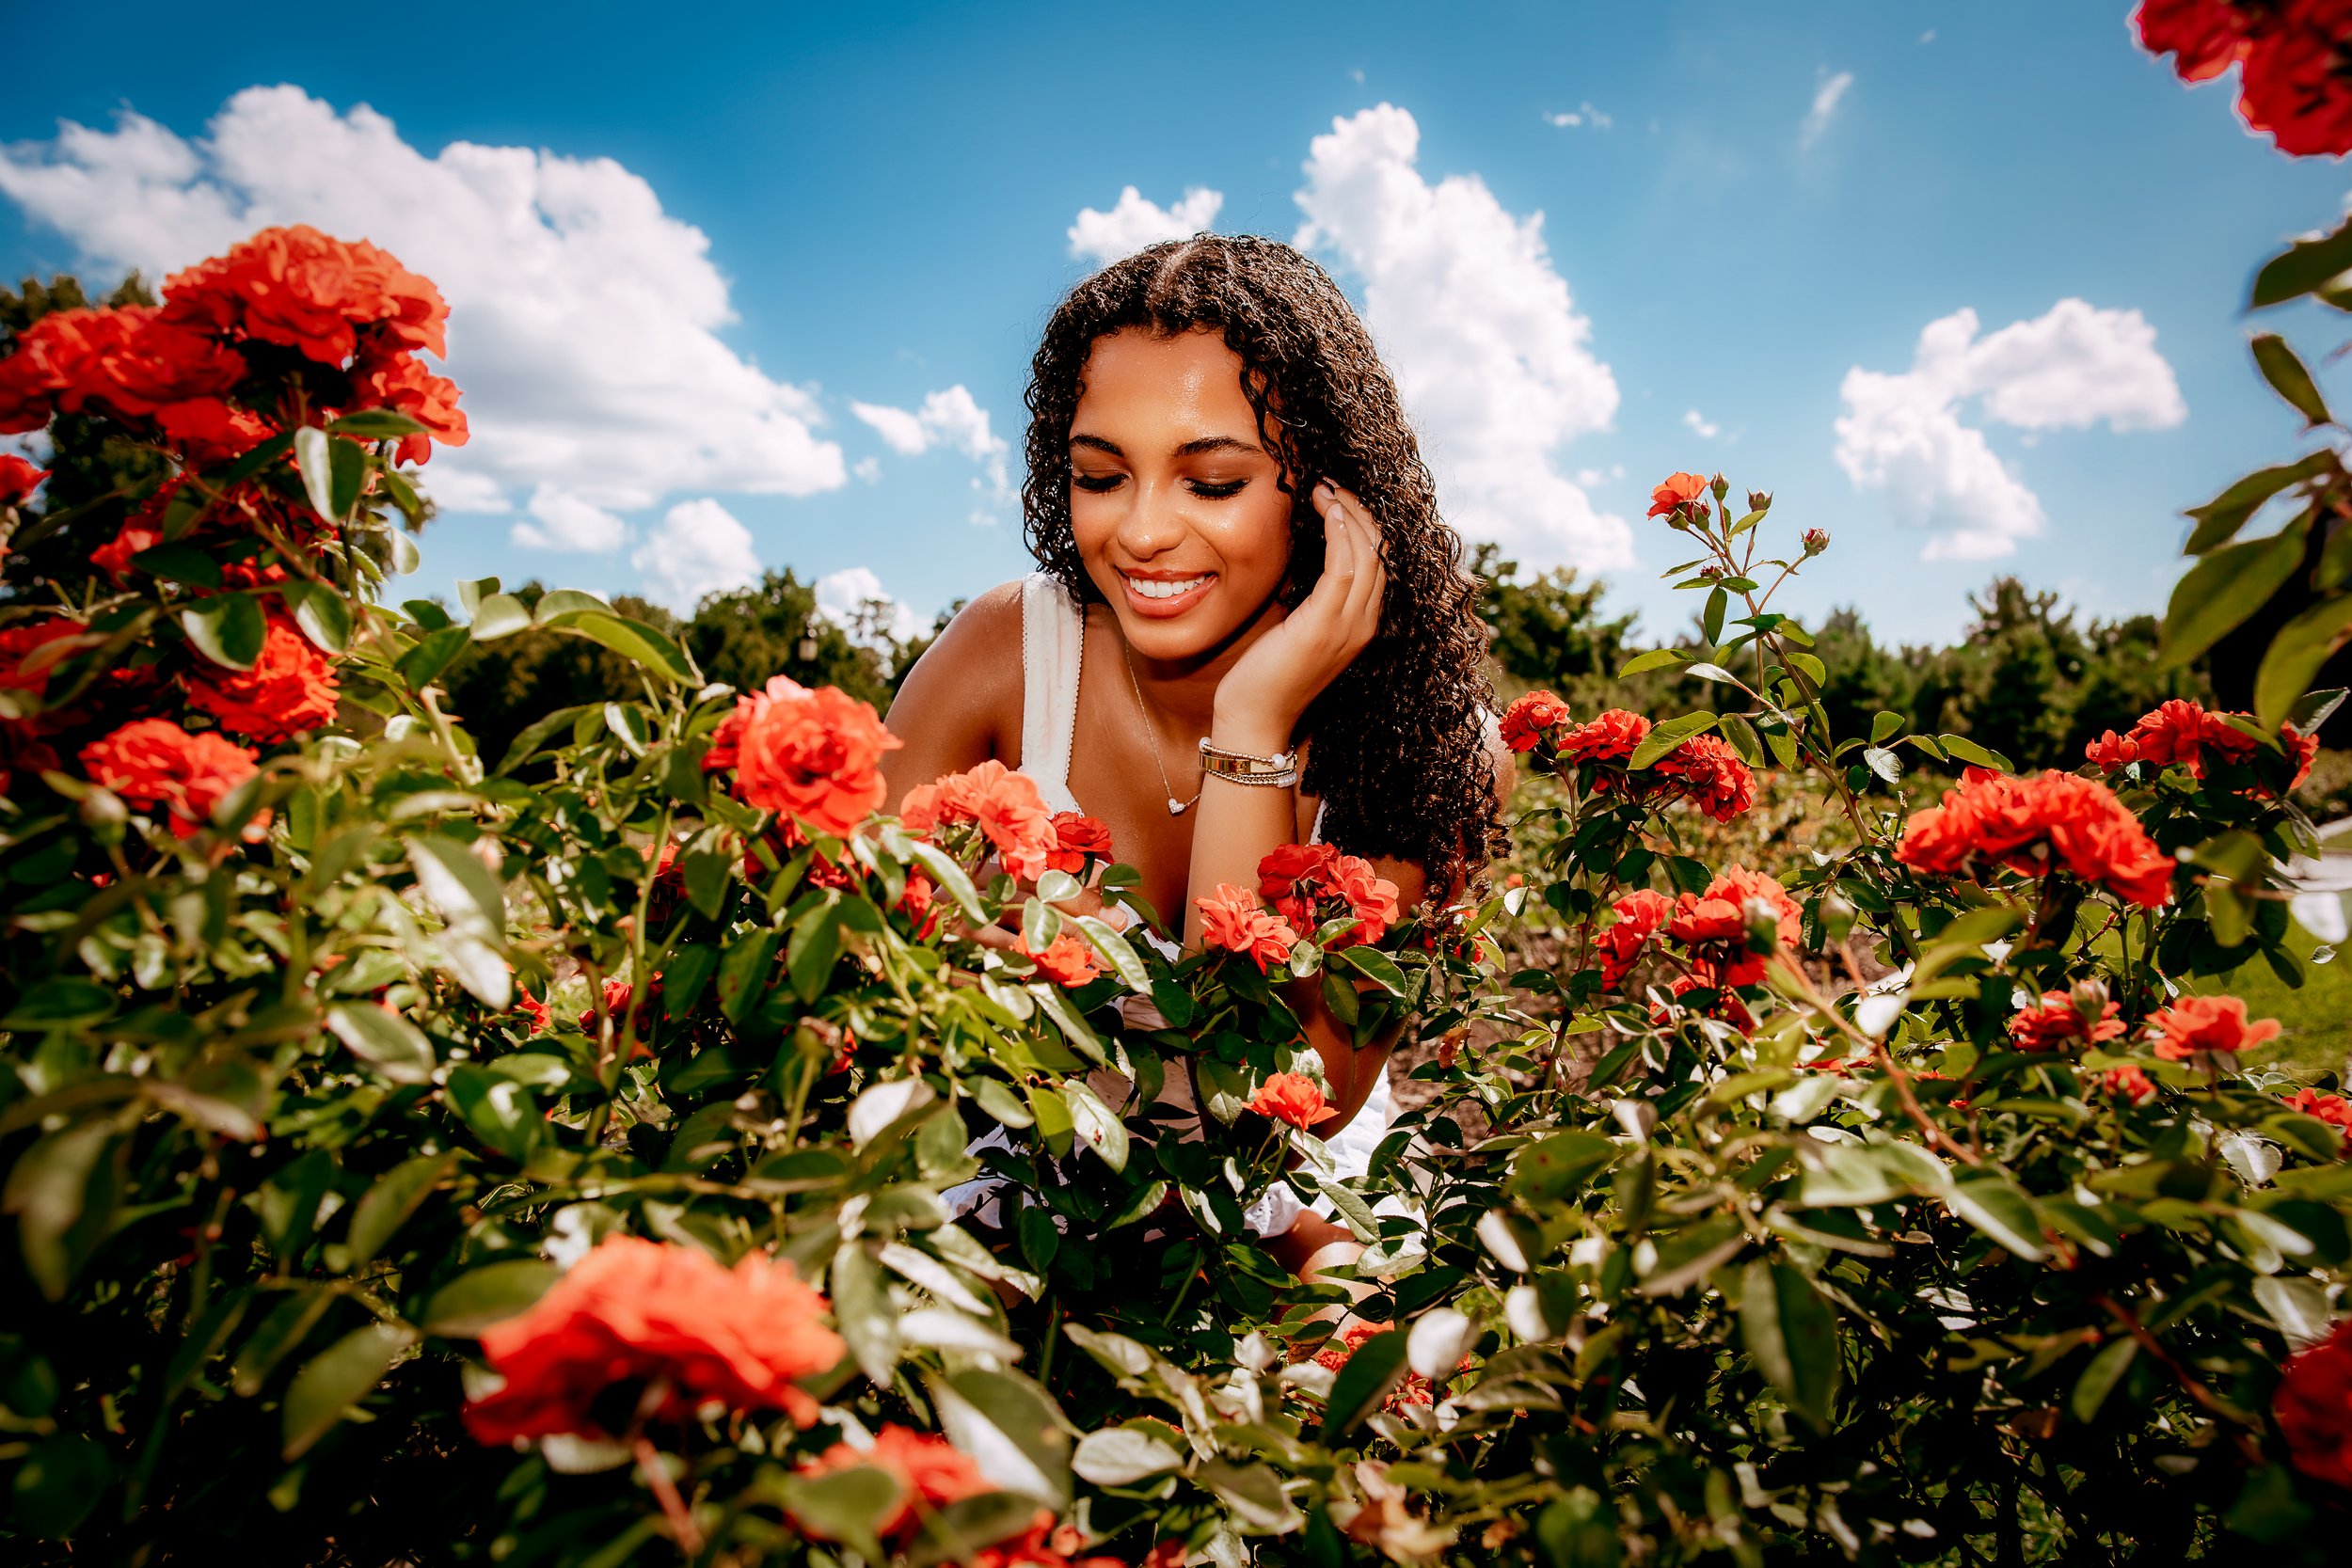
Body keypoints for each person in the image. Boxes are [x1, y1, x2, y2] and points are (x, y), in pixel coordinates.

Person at [882, 234, 1507, 1275]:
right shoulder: (1004, 655)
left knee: (1352, 1349)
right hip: (1008, 1172)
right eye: (1099, 474)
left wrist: (1251, 729)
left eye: (1209, 480)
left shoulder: (1431, 747)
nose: (1140, 531)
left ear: (1325, 489)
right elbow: (844, 976)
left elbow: (1273, 1098)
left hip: (1287, 1202)